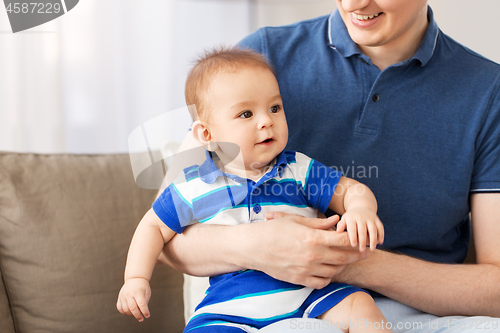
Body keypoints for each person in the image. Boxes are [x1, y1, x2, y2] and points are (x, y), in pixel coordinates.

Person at [159, 1, 500, 332]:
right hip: (283, 310)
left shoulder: (488, 90)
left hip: (426, 314)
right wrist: (259, 246)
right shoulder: (259, 57)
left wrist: (348, 261)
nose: (354, 2)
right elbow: (167, 236)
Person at [117, 47, 392, 332]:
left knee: (360, 305)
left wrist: (361, 209)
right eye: (246, 114)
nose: (266, 121)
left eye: (275, 108)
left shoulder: (297, 169)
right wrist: (136, 279)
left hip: (308, 296)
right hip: (228, 309)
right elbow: (152, 226)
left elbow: (350, 190)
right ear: (207, 135)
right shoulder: (194, 185)